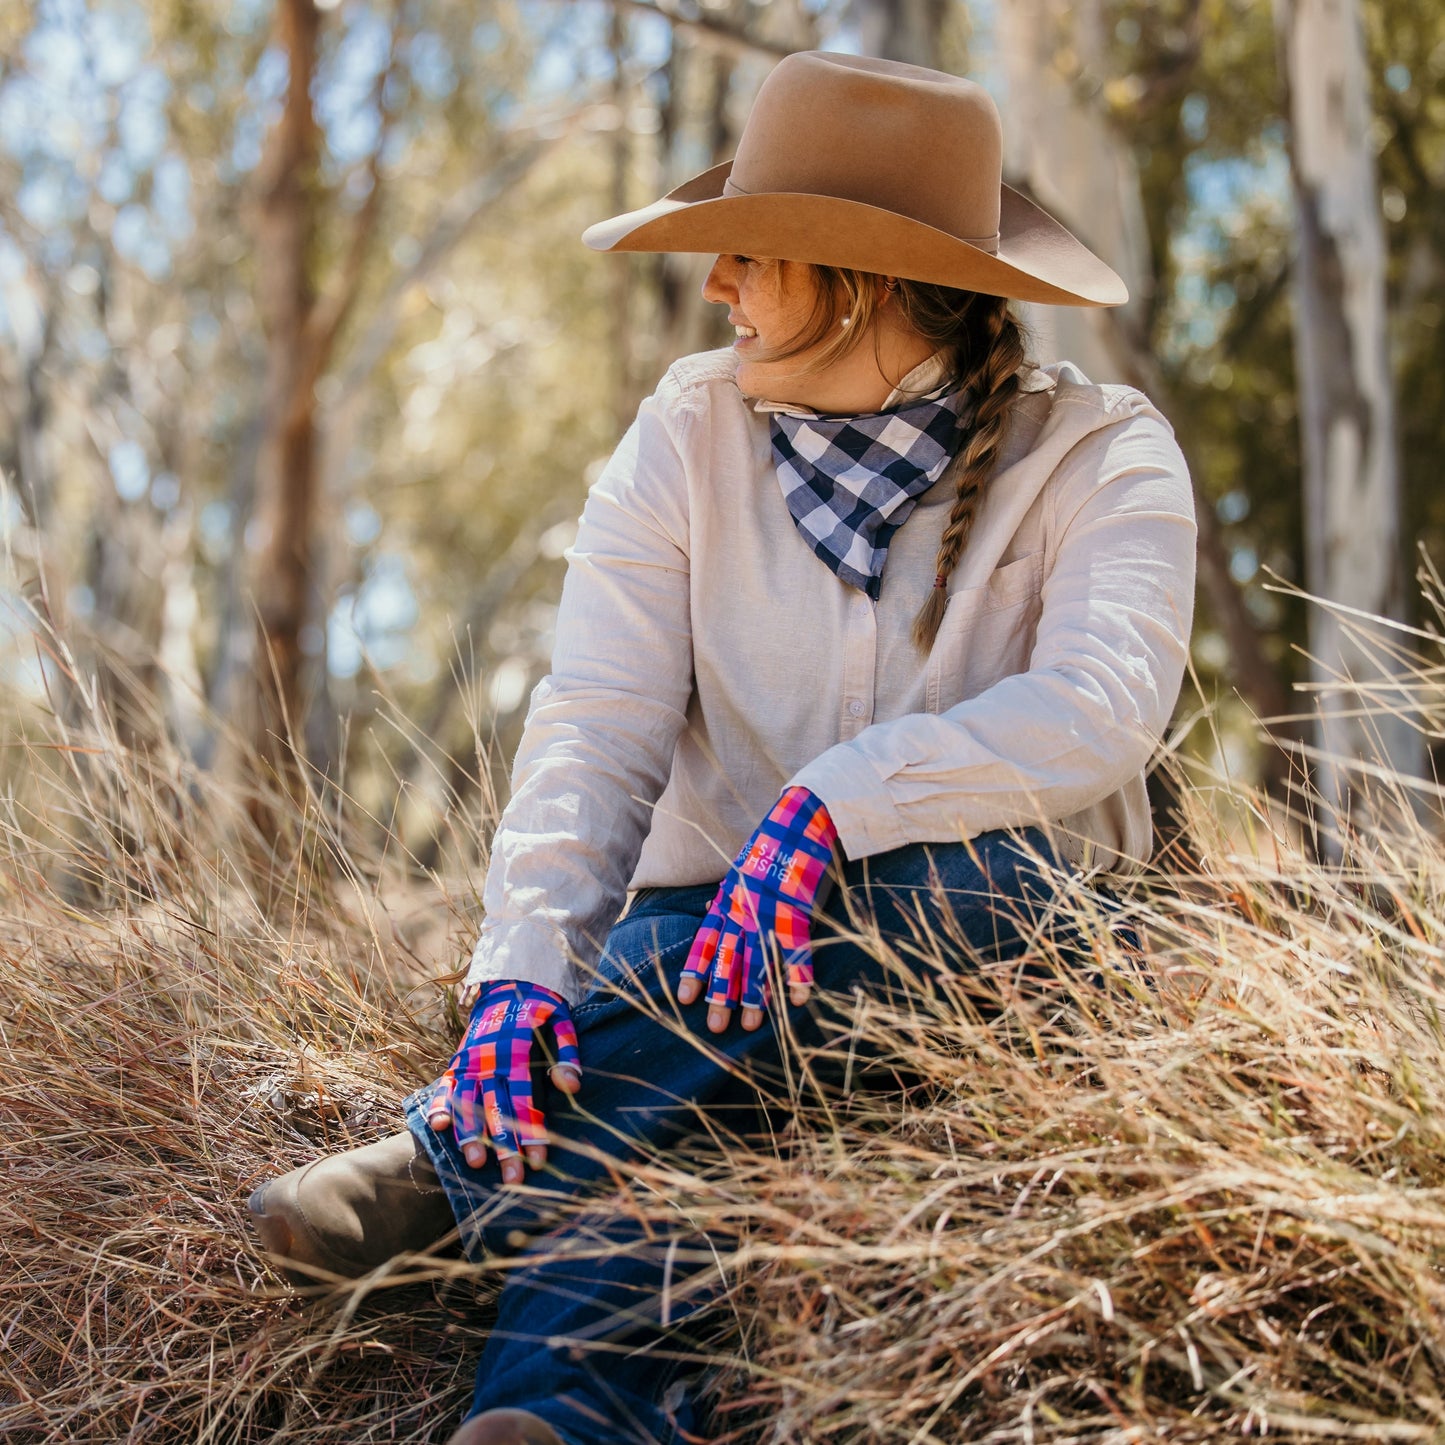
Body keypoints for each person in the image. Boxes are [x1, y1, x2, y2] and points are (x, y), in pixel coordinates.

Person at [247, 50, 1196, 1445]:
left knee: (958, 885)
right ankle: (552, 1416)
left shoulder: (1103, 455)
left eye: (745, 254)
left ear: (854, 278)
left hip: (1000, 957)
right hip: (714, 965)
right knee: (674, 1000)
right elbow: (595, 730)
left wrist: (831, 808)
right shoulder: (682, 435)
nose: (715, 286)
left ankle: (462, 1177)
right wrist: (518, 983)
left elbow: (1102, 705)